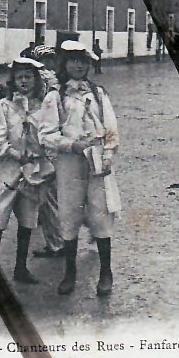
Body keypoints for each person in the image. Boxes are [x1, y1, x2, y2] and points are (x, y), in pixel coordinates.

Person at [38, 41, 121, 296]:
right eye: (73, 60)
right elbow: (45, 134)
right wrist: (70, 145)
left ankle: (106, 272)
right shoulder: (55, 96)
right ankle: (70, 272)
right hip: (69, 161)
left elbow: (111, 129)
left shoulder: (98, 94)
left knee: (100, 211)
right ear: (64, 64)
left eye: (82, 61)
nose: (78, 65)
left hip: (96, 159)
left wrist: (107, 155)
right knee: (69, 212)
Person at [0, 57, 55, 283]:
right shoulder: (4, 107)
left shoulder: (42, 106)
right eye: (19, 77)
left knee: (28, 219)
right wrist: (17, 154)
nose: (24, 81)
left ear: (36, 80)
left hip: (32, 172)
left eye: (28, 76)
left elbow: (48, 134)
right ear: (13, 81)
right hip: (8, 170)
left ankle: (20, 268)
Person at [29, 45, 64, 259]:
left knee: (48, 197)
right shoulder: (59, 81)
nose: (48, 62)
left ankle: (56, 243)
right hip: (58, 143)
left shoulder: (44, 82)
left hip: (47, 144)